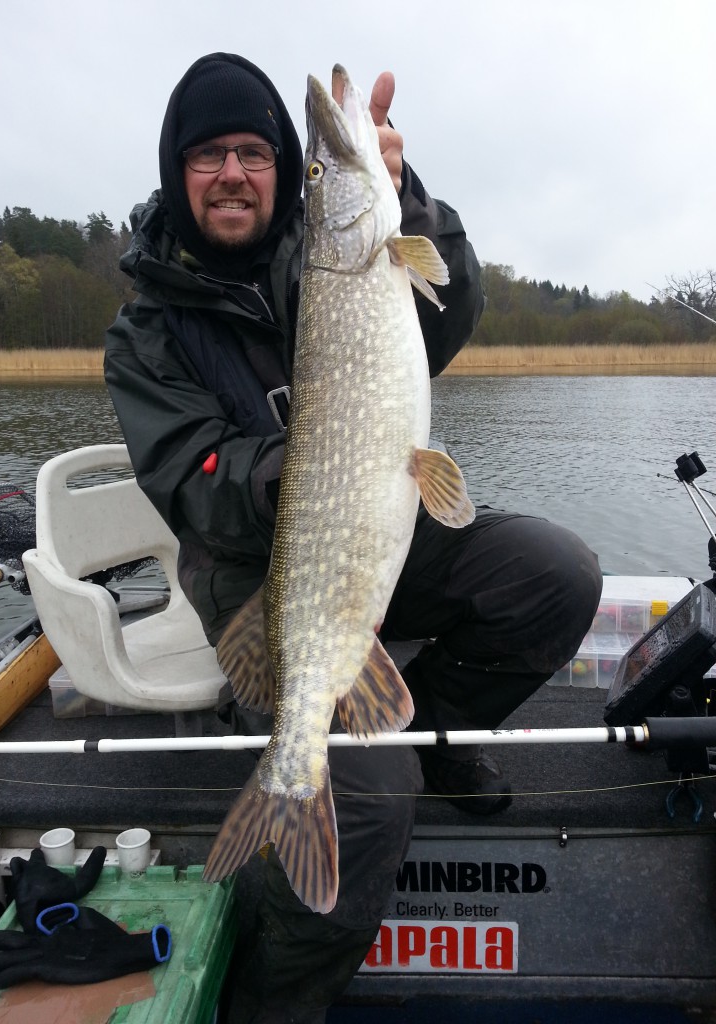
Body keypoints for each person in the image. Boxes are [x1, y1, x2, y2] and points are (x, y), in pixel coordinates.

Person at [104, 52, 602, 1023]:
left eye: (256, 151)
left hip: (379, 519)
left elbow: (449, 313)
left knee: (557, 576)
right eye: (210, 156)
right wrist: (311, 455)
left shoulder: (342, 245)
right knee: (369, 801)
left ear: (288, 174)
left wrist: (402, 192)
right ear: (178, 173)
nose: (236, 172)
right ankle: (271, 1004)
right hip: (264, 582)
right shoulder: (146, 330)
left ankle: (432, 731)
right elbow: (190, 481)